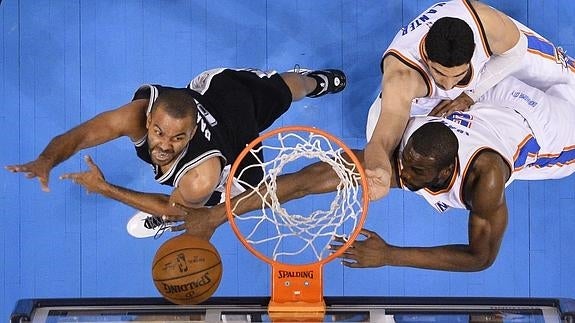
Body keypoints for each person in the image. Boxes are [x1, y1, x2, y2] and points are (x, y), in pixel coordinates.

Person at [169, 76, 575, 271]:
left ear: (448, 170)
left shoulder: (485, 180)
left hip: (555, 132)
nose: (402, 172)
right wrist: (218, 214)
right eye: (405, 161)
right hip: (498, 105)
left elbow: (481, 257)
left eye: (415, 171)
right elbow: (311, 180)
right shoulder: (410, 153)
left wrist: (389, 255)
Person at [5, 67, 347, 238]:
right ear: (149, 117)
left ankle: (317, 81)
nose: (165, 145)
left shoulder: (202, 175)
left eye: (178, 138)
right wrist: (46, 159)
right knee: (285, 87)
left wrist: (106, 188)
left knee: (292, 88)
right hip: (218, 87)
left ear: (193, 132)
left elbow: (178, 208)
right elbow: (80, 136)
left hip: (238, 138)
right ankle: (310, 81)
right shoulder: (134, 114)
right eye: (159, 132)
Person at [364, 0, 575, 202]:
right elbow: (381, 142)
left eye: (458, 76)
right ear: (427, 57)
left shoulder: (487, 25)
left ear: (475, 53)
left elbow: (517, 51)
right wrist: (379, 169)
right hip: (413, 98)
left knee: (568, 76)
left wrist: (470, 94)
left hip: (489, 51)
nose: (448, 85)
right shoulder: (402, 78)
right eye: (439, 73)